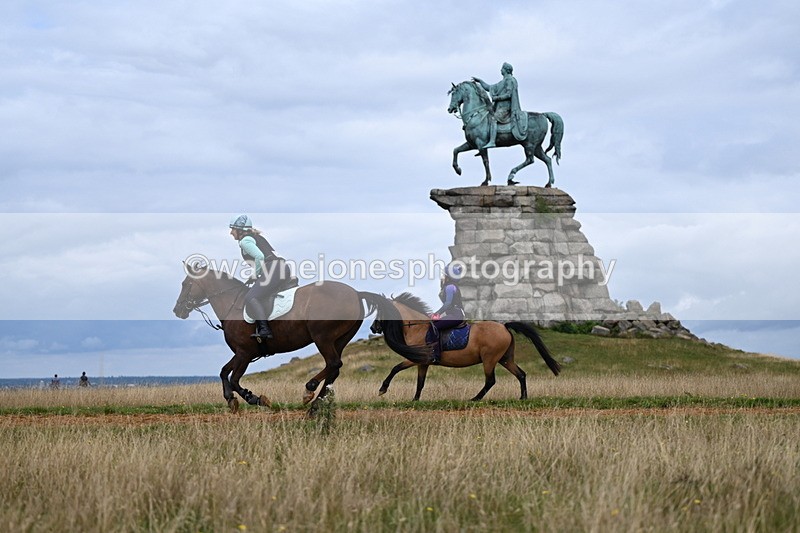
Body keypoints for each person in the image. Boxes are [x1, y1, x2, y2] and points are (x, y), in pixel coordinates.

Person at [229, 214, 293, 340]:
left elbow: (259, 257)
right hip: (281, 268)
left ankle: (264, 330)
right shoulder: (256, 237)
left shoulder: (245, 241)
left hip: (273, 270)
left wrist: (254, 274)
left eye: (233, 229)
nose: (231, 233)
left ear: (240, 230)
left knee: (251, 296)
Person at [472, 62, 528, 149]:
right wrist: (480, 81)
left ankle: (492, 141)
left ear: (506, 70)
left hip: (506, 108)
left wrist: (497, 98)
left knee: (493, 119)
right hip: (499, 108)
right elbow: (489, 87)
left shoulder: (510, 80)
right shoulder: (502, 82)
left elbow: (509, 94)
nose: (500, 70)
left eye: (502, 68)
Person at [429, 263, 467, 364]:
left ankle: (435, 355)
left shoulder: (450, 287)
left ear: (448, 277)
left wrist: (436, 313)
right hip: (454, 314)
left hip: (456, 315)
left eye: (444, 275)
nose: (442, 277)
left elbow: (448, 304)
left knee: (433, 327)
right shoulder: (450, 286)